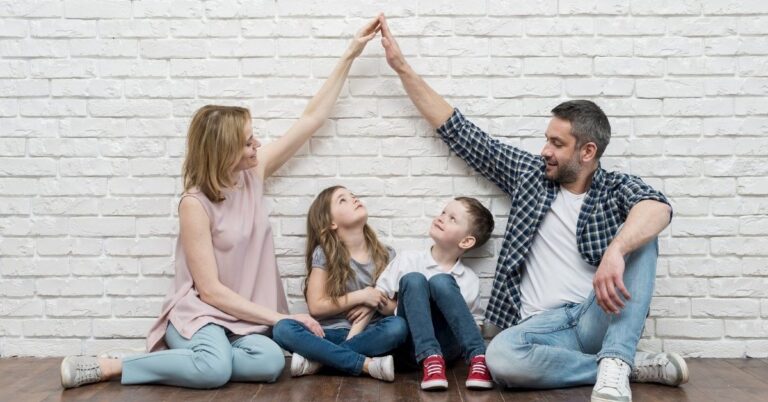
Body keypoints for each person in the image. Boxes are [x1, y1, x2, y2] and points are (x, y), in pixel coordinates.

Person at [59, 16, 382, 390]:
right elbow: (210, 291)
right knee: (214, 371)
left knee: (269, 362)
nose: (257, 145)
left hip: (246, 319)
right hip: (203, 315)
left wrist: (350, 54)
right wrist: (280, 319)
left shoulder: (253, 174)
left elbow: (310, 119)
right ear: (223, 150)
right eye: (247, 141)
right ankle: (115, 365)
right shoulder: (194, 204)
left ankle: (205, 359)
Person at [378, 15, 688, 402]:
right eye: (546, 140)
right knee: (501, 358)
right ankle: (622, 363)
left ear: (587, 152)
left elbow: (658, 209)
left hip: (594, 315)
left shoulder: (614, 188)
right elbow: (461, 133)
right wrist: (402, 68)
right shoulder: (530, 175)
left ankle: (613, 357)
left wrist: (616, 250)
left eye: (557, 144)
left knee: (644, 236)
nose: (545, 150)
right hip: (539, 327)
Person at [272, 186, 407, 381]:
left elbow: (395, 309)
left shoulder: (387, 255)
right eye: (342, 200)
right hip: (329, 335)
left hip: (369, 335)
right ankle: (366, 364)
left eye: (352, 195)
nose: (353, 199)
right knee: (282, 328)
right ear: (331, 223)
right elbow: (316, 307)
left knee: (398, 327)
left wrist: (377, 300)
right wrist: (362, 295)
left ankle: (320, 362)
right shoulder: (324, 253)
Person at [375, 197, 495, 391]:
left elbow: (475, 324)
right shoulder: (408, 259)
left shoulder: (469, 279)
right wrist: (408, 307)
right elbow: (379, 297)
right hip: (410, 348)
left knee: (441, 281)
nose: (442, 218)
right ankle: (430, 357)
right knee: (414, 279)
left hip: (448, 350)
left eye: (452, 218)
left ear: (466, 241)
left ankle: (478, 358)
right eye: (443, 213)